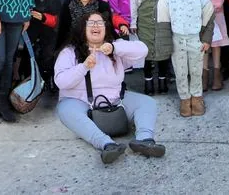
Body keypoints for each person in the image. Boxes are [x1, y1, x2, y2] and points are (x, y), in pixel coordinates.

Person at [54, 13, 165, 165]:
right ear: (82, 29)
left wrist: (114, 48)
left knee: (147, 103)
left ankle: (144, 140)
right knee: (65, 109)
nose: (96, 26)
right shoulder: (70, 52)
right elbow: (61, 82)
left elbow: (143, 50)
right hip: (82, 102)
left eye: (100, 23)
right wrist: (84, 67)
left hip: (115, 101)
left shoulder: (115, 48)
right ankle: (107, 144)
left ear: (106, 28)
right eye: (91, 23)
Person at [156, 0, 215, 117]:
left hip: (196, 39)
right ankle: (184, 98)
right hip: (177, 40)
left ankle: (196, 97)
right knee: (180, 71)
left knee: (196, 70)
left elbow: (209, 17)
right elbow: (163, 20)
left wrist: (206, 40)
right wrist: (165, 44)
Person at [129, 0, 173, 95]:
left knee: (163, 50)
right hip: (144, 20)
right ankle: (148, 81)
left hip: (163, 21)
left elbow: (171, 2)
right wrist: (133, 22)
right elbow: (133, 2)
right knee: (146, 51)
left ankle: (162, 79)